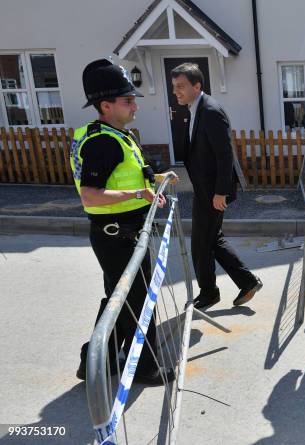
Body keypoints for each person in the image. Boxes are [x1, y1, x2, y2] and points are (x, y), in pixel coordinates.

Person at [71, 59, 176, 385]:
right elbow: (90, 195)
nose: (135, 106)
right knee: (139, 301)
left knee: (120, 300)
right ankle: (145, 367)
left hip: (119, 234)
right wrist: (141, 194)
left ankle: (94, 360)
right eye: (127, 101)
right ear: (106, 105)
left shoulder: (113, 134)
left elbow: (124, 175)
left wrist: (155, 180)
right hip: (117, 235)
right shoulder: (103, 142)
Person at [171, 63, 262, 310]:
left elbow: (225, 154)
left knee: (202, 242)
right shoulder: (195, 108)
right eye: (174, 87)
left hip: (214, 192)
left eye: (180, 86)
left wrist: (221, 192)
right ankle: (246, 282)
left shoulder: (211, 111)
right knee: (211, 239)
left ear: (196, 86)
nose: (175, 92)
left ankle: (211, 292)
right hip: (205, 189)